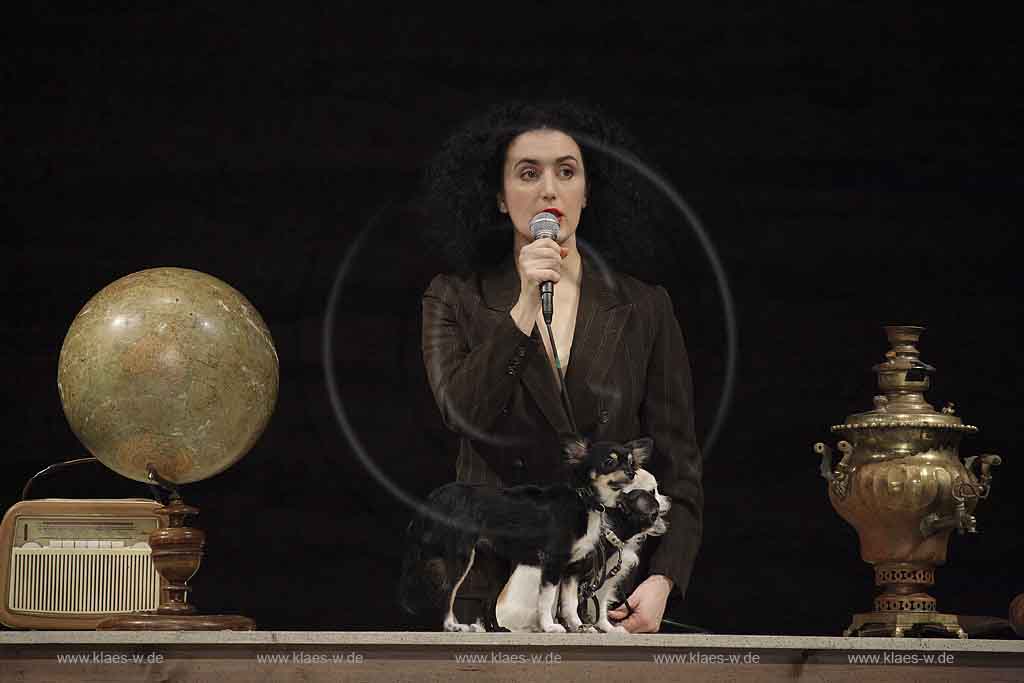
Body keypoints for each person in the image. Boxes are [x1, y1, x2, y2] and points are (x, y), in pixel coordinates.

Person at [419, 100, 702, 633]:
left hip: (599, 579)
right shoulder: (454, 297)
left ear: (587, 192)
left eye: (566, 172)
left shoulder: (643, 306)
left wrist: (664, 578)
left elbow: (679, 456)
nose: (549, 189)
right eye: (529, 173)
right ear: (500, 197)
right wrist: (524, 305)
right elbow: (460, 410)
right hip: (492, 578)